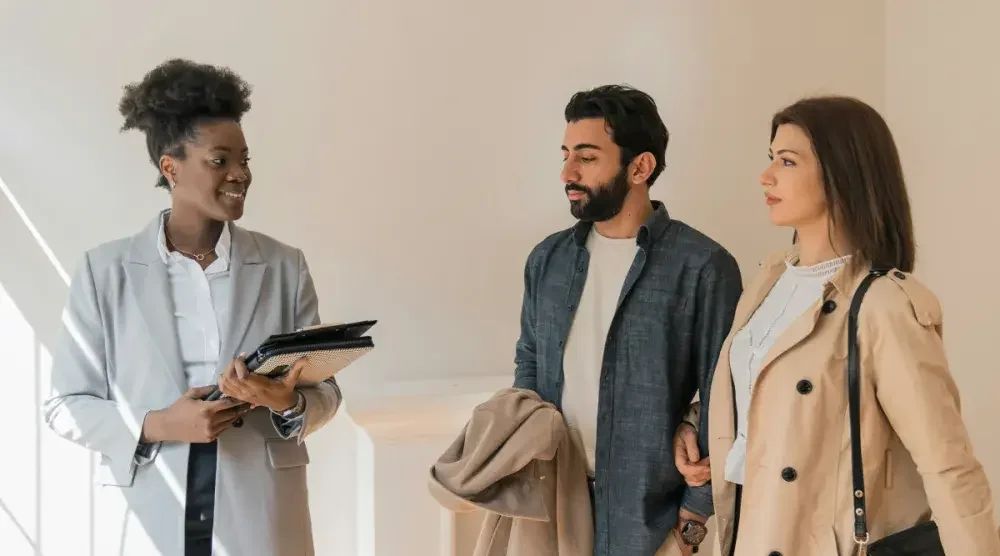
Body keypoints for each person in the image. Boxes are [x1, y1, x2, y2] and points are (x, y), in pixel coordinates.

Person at [674, 95, 1000, 555]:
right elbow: (761, 391)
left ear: (842, 173)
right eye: (771, 159)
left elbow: (948, 465)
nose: (766, 176)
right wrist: (693, 423)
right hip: (750, 532)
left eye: (787, 161)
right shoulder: (767, 283)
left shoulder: (882, 303)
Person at [42, 58, 342, 556]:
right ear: (170, 166)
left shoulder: (285, 266)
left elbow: (325, 393)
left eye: (245, 159)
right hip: (149, 505)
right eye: (220, 160)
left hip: (261, 510)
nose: (241, 174)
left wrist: (282, 401)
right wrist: (158, 423)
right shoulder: (104, 271)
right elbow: (65, 404)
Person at [513, 84, 743, 556]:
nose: (567, 172)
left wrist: (691, 524)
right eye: (565, 154)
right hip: (554, 509)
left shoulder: (703, 266)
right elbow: (530, 367)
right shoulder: (547, 261)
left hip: (654, 522)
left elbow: (727, 396)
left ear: (640, 167)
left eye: (587, 157)